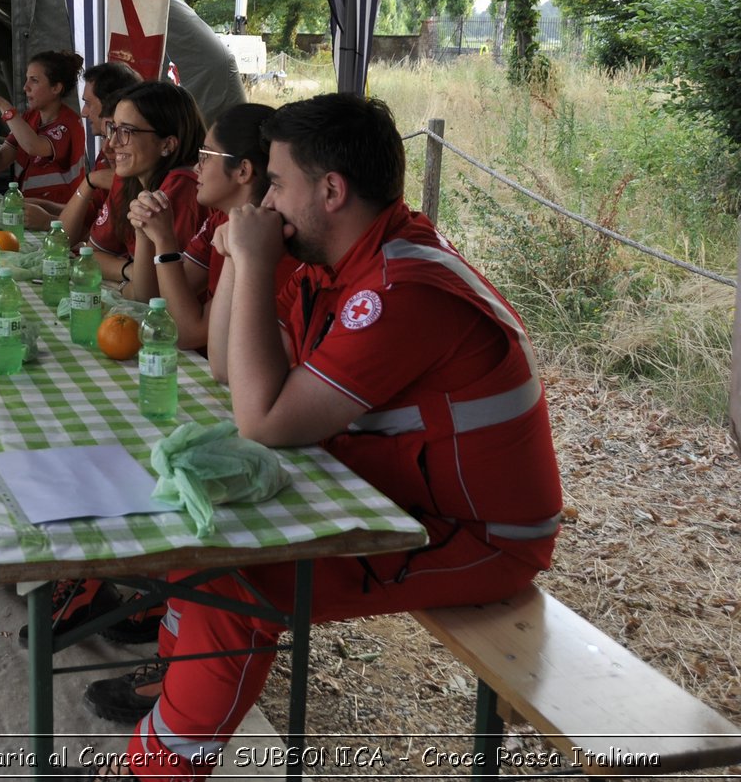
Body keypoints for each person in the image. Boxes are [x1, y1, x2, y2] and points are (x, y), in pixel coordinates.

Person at [83, 94, 563, 779]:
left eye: (276, 183)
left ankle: (155, 770)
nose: (265, 201)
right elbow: (226, 367)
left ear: (331, 190)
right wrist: (247, 259)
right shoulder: (329, 262)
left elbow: (264, 420)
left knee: (239, 581)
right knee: (200, 538)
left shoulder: (399, 287)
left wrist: (247, 262)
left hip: (476, 535)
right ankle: (174, 690)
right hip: (387, 491)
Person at [125, 102, 276, 352]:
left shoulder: (265, 237)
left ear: (243, 171)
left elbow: (187, 333)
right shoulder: (220, 218)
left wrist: (165, 241)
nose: (196, 167)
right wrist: (145, 232)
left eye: (205, 156)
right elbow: (152, 299)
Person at [83, 81, 208, 291]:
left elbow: (149, 295)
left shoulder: (182, 188)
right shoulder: (129, 178)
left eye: (126, 131)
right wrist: (128, 272)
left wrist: (127, 283)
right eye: (113, 128)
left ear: (167, 144)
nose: (112, 143)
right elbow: (91, 256)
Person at [0, 50, 86, 204]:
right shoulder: (29, 118)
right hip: (29, 210)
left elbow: (33, 146)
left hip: (58, 218)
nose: (25, 87)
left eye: (34, 80)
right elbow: (0, 161)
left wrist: (3, 105)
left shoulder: (69, 124)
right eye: (27, 79)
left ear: (56, 88)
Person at [53, 60, 143, 239]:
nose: (84, 112)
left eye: (88, 103)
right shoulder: (108, 148)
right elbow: (93, 214)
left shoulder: (167, 181)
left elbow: (72, 237)